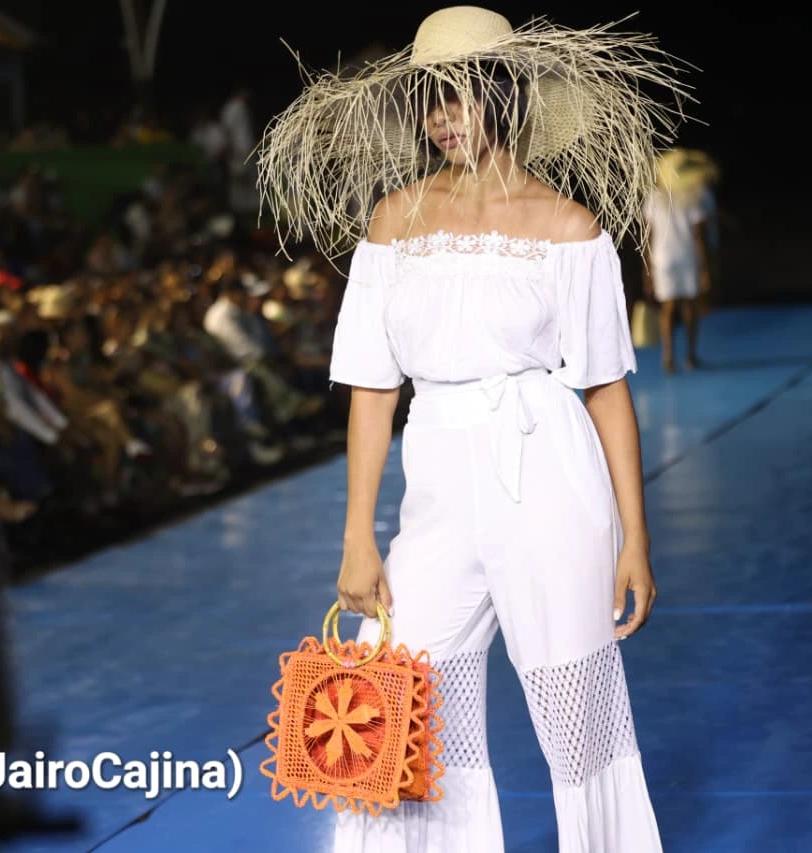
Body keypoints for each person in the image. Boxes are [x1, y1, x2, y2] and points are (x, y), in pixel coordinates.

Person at [259, 7, 685, 851]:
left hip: (548, 470)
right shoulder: (393, 221)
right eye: (432, 101)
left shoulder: (571, 226)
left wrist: (635, 537)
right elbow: (372, 390)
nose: (444, 118)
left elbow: (606, 390)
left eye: (462, 97)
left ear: (506, 100)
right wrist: (357, 536)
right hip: (438, 482)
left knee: (577, 714)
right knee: (403, 696)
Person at [643, 148, 718, 372]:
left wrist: (647, 268)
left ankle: (668, 356)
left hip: (663, 258)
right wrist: (705, 268)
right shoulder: (692, 196)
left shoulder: (655, 197)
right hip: (686, 257)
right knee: (689, 306)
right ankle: (690, 355)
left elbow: (647, 235)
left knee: (668, 307)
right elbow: (699, 237)